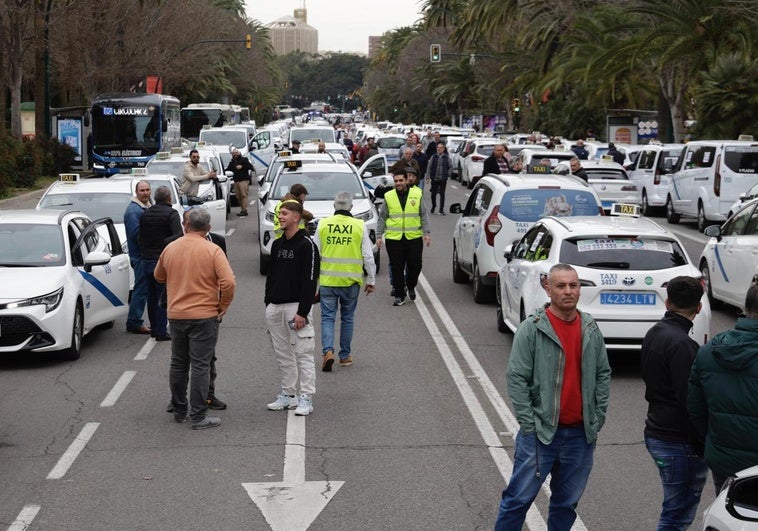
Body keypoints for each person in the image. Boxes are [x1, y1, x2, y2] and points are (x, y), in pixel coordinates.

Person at [495, 263, 611, 531]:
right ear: (548, 288)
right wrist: (529, 424)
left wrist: (597, 417)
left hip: (580, 436)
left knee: (566, 504)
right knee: (518, 500)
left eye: (573, 285)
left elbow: (603, 374)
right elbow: (516, 378)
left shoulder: (590, 328)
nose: (568, 291)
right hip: (541, 434)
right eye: (560, 286)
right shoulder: (532, 329)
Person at [154, 208, 235, 430]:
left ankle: (179, 410)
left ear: (185, 225)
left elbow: (158, 276)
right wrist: (223, 305)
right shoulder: (213, 250)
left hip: (177, 314)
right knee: (201, 364)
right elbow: (228, 282)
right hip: (205, 314)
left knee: (178, 363)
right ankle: (198, 415)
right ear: (208, 228)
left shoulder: (171, 248)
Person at [641, 276, 708, 530]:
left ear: (667, 302)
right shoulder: (683, 345)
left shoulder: (655, 332)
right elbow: (689, 400)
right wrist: (701, 442)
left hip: (657, 430)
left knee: (674, 510)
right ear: (699, 307)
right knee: (676, 515)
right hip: (678, 442)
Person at [688, 284, 758, 493]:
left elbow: (695, 408)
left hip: (724, 459)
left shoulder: (710, 352)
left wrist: (713, 440)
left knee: (729, 516)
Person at [265, 200, 320, 416]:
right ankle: (288, 394)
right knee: (283, 354)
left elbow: (310, 280)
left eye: (284, 213)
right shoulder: (277, 244)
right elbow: (271, 276)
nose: (280, 217)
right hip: (275, 307)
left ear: (296, 217)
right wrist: (268, 303)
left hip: (296, 307)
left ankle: (306, 397)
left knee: (303, 353)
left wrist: (303, 312)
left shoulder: (307, 245)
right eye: (280, 214)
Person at [316, 192, 376, 371]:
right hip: (351, 282)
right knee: (347, 318)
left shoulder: (323, 224)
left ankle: (327, 351)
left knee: (327, 318)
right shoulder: (359, 226)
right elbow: (368, 256)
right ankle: (344, 356)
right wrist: (371, 279)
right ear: (351, 207)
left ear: (334, 207)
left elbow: (315, 252)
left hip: (328, 281)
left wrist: (311, 281)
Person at [376, 169, 431, 306]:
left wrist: (427, 233)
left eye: (401, 180)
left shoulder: (417, 194)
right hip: (394, 238)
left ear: (407, 180)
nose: (398, 183)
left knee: (415, 265)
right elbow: (382, 217)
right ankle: (400, 295)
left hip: (414, 237)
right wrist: (378, 235)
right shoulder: (388, 196)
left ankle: (410, 285)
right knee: (397, 267)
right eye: (396, 181)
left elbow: (423, 215)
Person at [139, 186, 182, 341]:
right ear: (169, 198)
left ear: (155, 198)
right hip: (162, 260)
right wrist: (165, 242)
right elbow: (179, 235)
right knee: (163, 295)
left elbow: (140, 238)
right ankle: (161, 331)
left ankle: (154, 328)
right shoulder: (172, 214)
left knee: (151, 296)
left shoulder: (145, 214)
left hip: (146, 259)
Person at [124, 180, 152, 335]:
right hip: (140, 256)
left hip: (144, 254)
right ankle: (134, 322)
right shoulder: (133, 211)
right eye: (142, 190)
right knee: (141, 289)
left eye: (148, 189)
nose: (146, 192)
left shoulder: (144, 207)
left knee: (144, 288)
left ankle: (136, 320)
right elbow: (136, 235)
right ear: (137, 192)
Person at [225, 148, 253, 217]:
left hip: (243, 180)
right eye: (233, 153)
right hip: (236, 181)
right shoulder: (232, 162)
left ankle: (244, 210)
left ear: (239, 153)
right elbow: (228, 169)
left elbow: (250, 167)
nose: (235, 154)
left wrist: (242, 167)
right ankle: (242, 209)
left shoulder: (244, 159)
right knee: (238, 196)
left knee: (243, 195)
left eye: (236, 153)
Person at [426, 142, 450, 215]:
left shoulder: (446, 157)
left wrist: (447, 174)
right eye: (438, 147)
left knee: (442, 194)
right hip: (434, 178)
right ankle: (434, 206)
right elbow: (429, 167)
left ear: (443, 149)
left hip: (443, 179)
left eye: (440, 148)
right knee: (433, 194)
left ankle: (441, 209)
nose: (439, 149)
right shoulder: (434, 157)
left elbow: (451, 167)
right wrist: (427, 177)